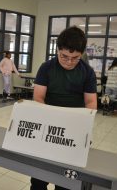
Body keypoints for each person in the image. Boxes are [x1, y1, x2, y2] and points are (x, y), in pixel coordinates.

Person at [32, 26, 97, 190]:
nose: (69, 62)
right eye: (65, 56)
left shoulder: (87, 72)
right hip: (47, 129)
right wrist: (52, 120)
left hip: (73, 131)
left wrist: (86, 126)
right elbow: (38, 97)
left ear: (81, 54)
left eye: (75, 58)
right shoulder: (46, 68)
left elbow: (90, 102)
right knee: (39, 179)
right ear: (58, 50)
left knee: (67, 182)